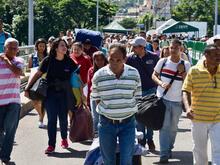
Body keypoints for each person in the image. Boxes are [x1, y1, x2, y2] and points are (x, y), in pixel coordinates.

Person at [25, 38, 78, 154]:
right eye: (62, 46)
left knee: (63, 119)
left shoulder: (69, 61)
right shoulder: (47, 60)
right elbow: (37, 75)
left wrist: (81, 95)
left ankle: (64, 138)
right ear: (55, 48)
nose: (65, 48)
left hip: (64, 94)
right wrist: (28, 88)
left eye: (65, 46)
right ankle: (51, 145)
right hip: (50, 94)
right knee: (52, 120)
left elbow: (76, 78)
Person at [91, 43, 142, 165]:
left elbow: (137, 97)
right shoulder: (98, 76)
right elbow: (97, 99)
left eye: (118, 60)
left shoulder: (134, 73)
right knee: (108, 161)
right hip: (106, 124)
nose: (114, 62)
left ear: (124, 59)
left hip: (128, 123)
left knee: (126, 161)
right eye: (111, 59)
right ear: (108, 56)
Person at [152, 39, 191, 163]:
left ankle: (169, 148)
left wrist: (182, 72)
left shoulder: (186, 65)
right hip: (163, 98)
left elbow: (188, 83)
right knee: (164, 127)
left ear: (181, 50)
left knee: (173, 128)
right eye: (170, 47)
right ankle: (164, 154)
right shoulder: (162, 61)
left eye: (175, 48)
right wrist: (161, 83)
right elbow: (154, 75)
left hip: (178, 101)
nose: (172, 50)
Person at [182, 44, 220, 165]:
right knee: (200, 151)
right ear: (206, 56)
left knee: (218, 150)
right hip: (198, 118)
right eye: (215, 55)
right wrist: (187, 108)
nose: (218, 57)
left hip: (218, 119)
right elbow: (185, 90)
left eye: (219, 54)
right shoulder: (194, 71)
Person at [126, 36, 159, 151]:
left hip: (151, 91)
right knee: (139, 118)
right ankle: (142, 140)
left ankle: (150, 139)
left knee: (150, 117)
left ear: (142, 47)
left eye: (135, 46)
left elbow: (158, 73)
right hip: (136, 92)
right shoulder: (130, 58)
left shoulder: (154, 57)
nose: (133, 48)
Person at [0, 38, 24, 164]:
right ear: (5, 48)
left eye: (16, 48)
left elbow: (17, 72)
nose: (13, 50)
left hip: (13, 102)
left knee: (10, 130)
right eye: (11, 48)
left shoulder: (19, 60)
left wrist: (6, 60)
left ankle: (5, 157)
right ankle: (2, 151)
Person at [27, 38, 47, 128]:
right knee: (35, 101)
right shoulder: (32, 56)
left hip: (44, 81)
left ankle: (41, 119)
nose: (42, 48)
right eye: (40, 46)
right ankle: (41, 114)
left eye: (43, 46)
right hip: (34, 80)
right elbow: (28, 68)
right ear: (37, 46)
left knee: (42, 101)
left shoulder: (48, 56)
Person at [87, 51, 108, 136]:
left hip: (106, 96)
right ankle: (96, 135)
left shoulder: (108, 69)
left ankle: (106, 135)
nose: (99, 62)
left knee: (105, 117)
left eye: (101, 59)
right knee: (95, 117)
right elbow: (89, 86)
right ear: (94, 60)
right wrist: (88, 100)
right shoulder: (91, 70)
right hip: (94, 97)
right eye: (97, 60)